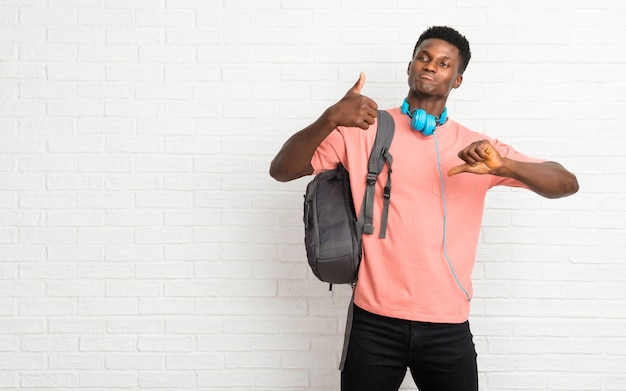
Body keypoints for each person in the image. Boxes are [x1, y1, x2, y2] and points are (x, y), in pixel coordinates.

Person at [269, 26, 579, 391]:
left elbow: (566, 182)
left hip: (447, 327)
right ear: (410, 66)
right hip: (374, 323)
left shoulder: (478, 149)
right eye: (424, 57)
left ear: (458, 80)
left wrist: (503, 167)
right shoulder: (362, 129)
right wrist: (330, 118)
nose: (431, 66)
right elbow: (282, 170)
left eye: (444, 63)